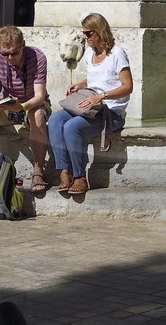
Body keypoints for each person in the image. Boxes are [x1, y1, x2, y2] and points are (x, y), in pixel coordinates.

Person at [48, 12, 132, 197]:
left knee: (71, 127)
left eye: (88, 33)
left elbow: (127, 86)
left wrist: (102, 96)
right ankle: (65, 171)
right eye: (83, 33)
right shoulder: (89, 53)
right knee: (55, 120)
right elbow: (98, 78)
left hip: (110, 113)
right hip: (90, 106)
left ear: (100, 31)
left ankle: (80, 176)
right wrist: (80, 85)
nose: (85, 38)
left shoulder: (117, 54)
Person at [0, 25, 51, 195]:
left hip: (33, 104)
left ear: (23, 45)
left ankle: (38, 170)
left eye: (14, 53)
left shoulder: (37, 57)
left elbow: (40, 96)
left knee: (37, 115)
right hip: (8, 105)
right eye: (5, 54)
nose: (9, 58)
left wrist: (21, 107)